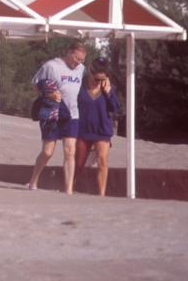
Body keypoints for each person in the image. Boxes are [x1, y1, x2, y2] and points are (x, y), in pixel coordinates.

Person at [27, 40, 87, 194]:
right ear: (69, 52)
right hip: (52, 112)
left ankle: (68, 190)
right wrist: (48, 94)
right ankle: (33, 181)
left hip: (72, 114)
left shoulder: (81, 69)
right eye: (77, 59)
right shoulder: (51, 66)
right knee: (48, 151)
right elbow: (35, 84)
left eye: (81, 60)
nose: (78, 63)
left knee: (70, 151)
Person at [75, 57, 120, 196]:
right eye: (96, 79)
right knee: (78, 163)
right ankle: (72, 187)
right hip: (83, 130)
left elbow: (115, 108)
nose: (99, 82)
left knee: (102, 161)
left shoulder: (110, 89)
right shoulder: (80, 86)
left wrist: (108, 93)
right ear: (91, 72)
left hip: (102, 130)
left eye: (102, 79)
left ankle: (101, 194)